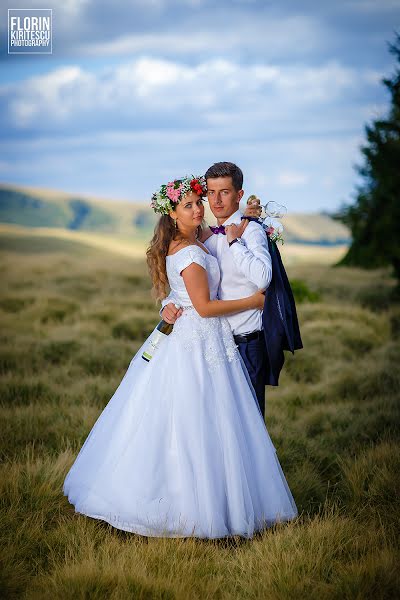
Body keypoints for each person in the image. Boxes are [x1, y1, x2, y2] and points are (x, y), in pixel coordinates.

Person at [63, 174, 298, 539]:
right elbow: (203, 306)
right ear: (172, 213)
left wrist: (250, 216)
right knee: (197, 420)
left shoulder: (195, 240)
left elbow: (186, 293)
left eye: (197, 202)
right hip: (201, 340)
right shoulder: (188, 250)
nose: (198, 208)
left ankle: (223, 498)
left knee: (215, 420)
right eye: (188, 205)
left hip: (210, 339)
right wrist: (253, 301)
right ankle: (191, 506)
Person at [161, 162, 272, 417]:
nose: (216, 201)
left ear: (239, 195)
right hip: (211, 343)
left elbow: (264, 278)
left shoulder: (251, 231)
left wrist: (235, 242)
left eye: (224, 192)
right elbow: (194, 286)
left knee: (249, 422)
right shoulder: (204, 238)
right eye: (210, 193)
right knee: (216, 422)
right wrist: (167, 303)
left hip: (245, 342)